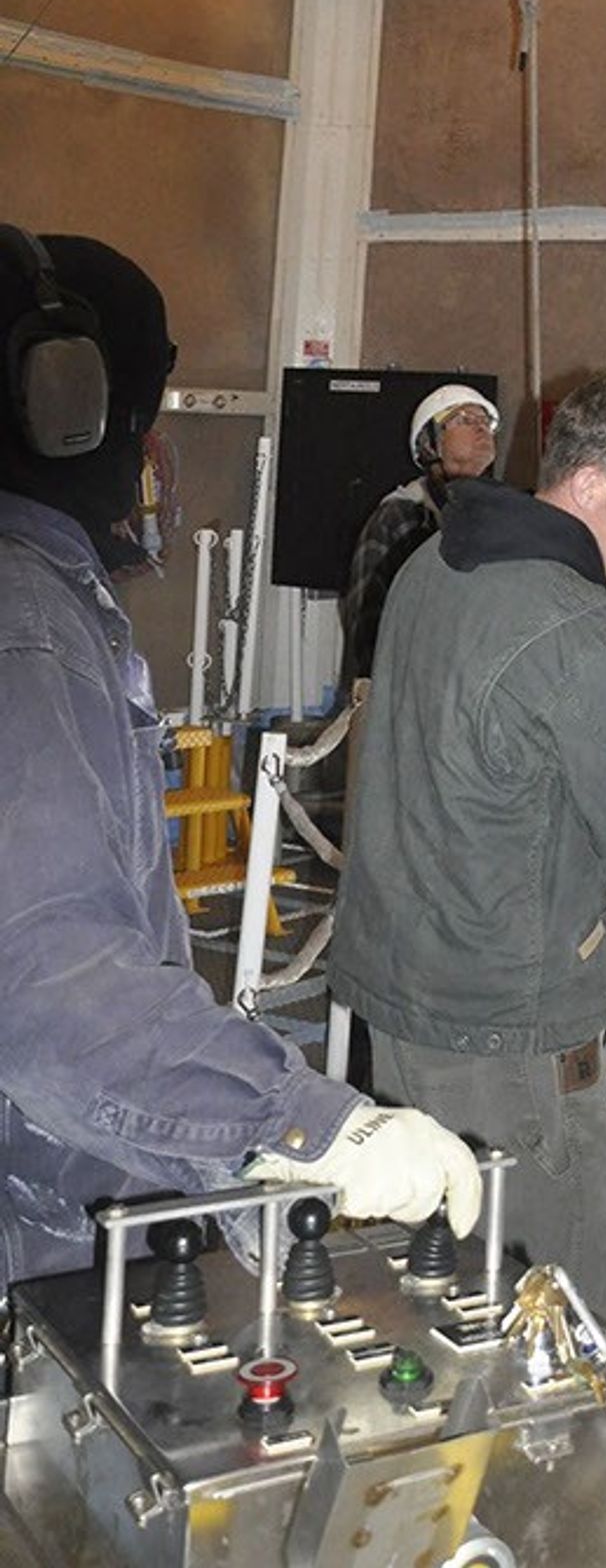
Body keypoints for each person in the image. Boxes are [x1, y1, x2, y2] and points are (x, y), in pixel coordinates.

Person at [0, 226, 480, 1288]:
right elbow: (45, 982)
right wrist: (307, 1127)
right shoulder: (24, 623)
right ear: (63, 403)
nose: (152, 453)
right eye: (143, 413)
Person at [328, 371, 606, 1312]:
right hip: (514, 1038)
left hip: (404, 1002)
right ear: (590, 488)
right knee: (553, 1299)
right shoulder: (575, 628)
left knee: (437, 1283)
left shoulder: (433, 566)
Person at [341, 381, 500, 688]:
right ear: (429, 442)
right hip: (410, 689)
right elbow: (366, 622)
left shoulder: (502, 517)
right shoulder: (399, 517)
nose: (481, 428)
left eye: (486, 422)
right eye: (464, 419)